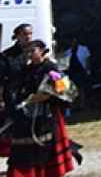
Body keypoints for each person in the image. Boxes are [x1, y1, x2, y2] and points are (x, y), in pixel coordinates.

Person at [0, 38, 81, 177]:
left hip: (45, 117)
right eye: (27, 52)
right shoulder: (27, 69)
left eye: (33, 51)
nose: (29, 54)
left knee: (43, 154)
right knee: (21, 154)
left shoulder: (52, 68)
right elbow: (17, 88)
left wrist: (48, 96)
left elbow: (66, 91)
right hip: (26, 117)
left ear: (42, 51)